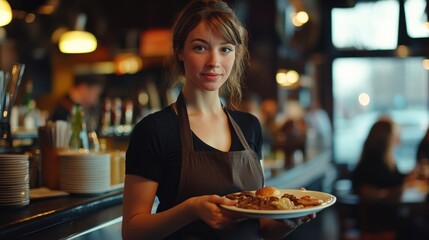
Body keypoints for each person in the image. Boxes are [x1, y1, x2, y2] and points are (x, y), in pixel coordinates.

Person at [122, 1, 315, 239]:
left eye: (225, 49)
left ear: (236, 53)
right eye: (201, 48)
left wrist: (290, 221)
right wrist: (190, 210)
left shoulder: (249, 127)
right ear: (180, 51)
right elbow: (132, 231)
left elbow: (261, 226)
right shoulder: (154, 130)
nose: (214, 61)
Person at [351, 117, 410, 239]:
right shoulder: (373, 163)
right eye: (396, 135)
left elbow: (396, 179)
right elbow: (370, 195)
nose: (399, 140)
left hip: (381, 220)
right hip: (379, 225)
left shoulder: (381, 160)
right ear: (386, 138)